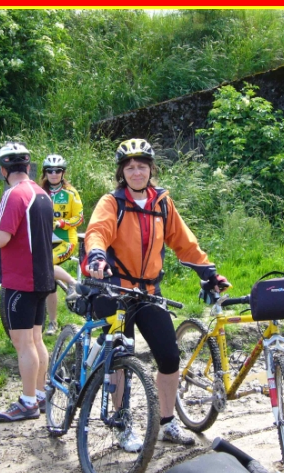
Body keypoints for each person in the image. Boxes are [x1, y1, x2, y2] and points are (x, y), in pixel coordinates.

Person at [83, 138, 229, 449]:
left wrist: (209, 273)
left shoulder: (161, 203)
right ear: (122, 173)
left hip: (148, 291)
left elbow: (184, 242)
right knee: (120, 356)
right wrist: (96, 255)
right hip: (115, 289)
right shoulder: (112, 202)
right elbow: (97, 232)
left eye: (142, 166)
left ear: (151, 169)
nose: (136, 172)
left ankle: (167, 422)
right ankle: (122, 423)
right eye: (130, 168)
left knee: (169, 356)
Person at [0, 142, 55, 422]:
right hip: (43, 277)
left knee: (23, 343)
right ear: (28, 166)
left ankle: (27, 402)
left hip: (21, 279)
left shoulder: (13, 194)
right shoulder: (43, 194)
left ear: (3, 170)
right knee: (36, 339)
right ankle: (40, 394)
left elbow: (2, 238)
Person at [39, 154, 84, 336]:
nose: (54, 174)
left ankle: (72, 283)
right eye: (50, 171)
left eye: (57, 170)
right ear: (45, 173)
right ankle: (52, 323)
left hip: (65, 240)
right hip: (43, 240)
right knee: (48, 280)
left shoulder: (71, 193)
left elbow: (79, 218)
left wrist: (62, 223)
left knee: (46, 264)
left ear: (63, 173)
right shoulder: (39, 192)